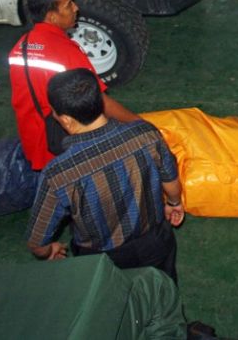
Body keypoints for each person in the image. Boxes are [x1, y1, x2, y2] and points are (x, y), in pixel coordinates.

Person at [26, 68, 185, 284]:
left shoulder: (58, 173)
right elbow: (171, 180)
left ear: (66, 120)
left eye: (54, 112)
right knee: (162, 288)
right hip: (155, 242)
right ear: (100, 101)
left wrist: (49, 250)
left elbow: (37, 243)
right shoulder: (146, 134)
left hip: (103, 261)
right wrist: (174, 203)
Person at [8, 0, 139, 171]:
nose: (76, 8)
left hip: (33, 145)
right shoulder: (66, 53)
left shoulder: (20, 48)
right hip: (61, 151)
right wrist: (139, 124)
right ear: (52, 16)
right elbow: (100, 102)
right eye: (69, 5)